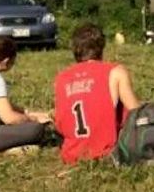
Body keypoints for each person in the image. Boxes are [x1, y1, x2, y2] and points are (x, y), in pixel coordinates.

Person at [53, 23, 141, 164]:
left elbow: (60, 123)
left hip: (71, 155)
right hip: (105, 153)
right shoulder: (115, 72)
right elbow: (137, 114)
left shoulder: (61, 78)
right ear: (101, 47)